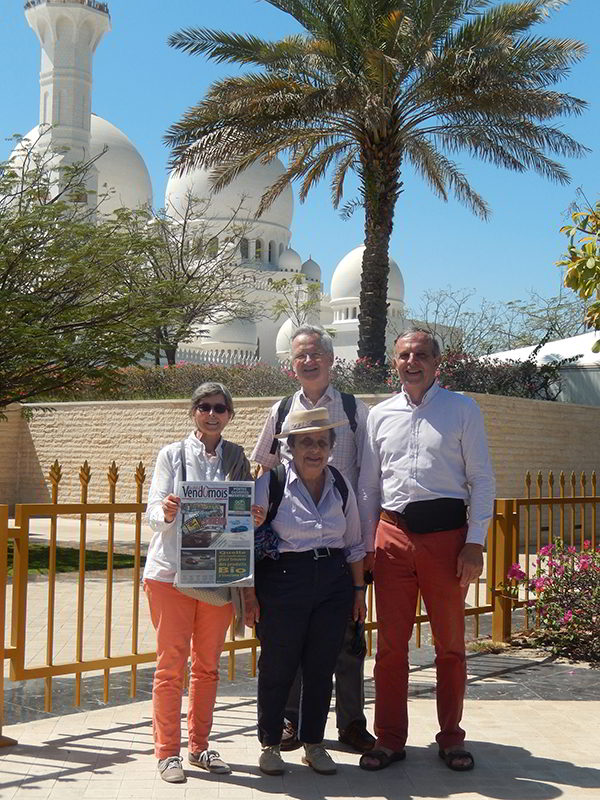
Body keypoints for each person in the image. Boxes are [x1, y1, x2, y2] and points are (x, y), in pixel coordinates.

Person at [358, 329, 495, 773]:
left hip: (446, 539)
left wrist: (475, 542)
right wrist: (368, 545)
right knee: (390, 648)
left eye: (420, 354)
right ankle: (389, 739)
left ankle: (451, 738)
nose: (411, 362)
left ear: (437, 362)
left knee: (450, 647)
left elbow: (481, 479)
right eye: (404, 355)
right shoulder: (380, 415)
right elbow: (369, 486)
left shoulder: (462, 409)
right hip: (392, 537)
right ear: (394, 362)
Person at [251, 324, 375, 753]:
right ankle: (291, 722)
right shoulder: (281, 409)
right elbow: (263, 467)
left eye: (315, 354)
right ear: (293, 363)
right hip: (293, 549)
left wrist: (364, 545)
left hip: (342, 539)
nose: (308, 362)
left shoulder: (355, 410)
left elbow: (368, 478)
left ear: (331, 360)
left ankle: (351, 723)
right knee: (293, 643)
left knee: (346, 641)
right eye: (300, 356)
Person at [144, 382, 259, 784]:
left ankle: (199, 745)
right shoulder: (172, 455)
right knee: (170, 667)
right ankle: (167, 752)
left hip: (217, 575)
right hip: (170, 575)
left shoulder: (237, 457)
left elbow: (240, 519)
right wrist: (167, 511)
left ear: (230, 415)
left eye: (220, 408)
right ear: (193, 411)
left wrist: (252, 518)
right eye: (205, 407)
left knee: (208, 667)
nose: (212, 414)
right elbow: (152, 512)